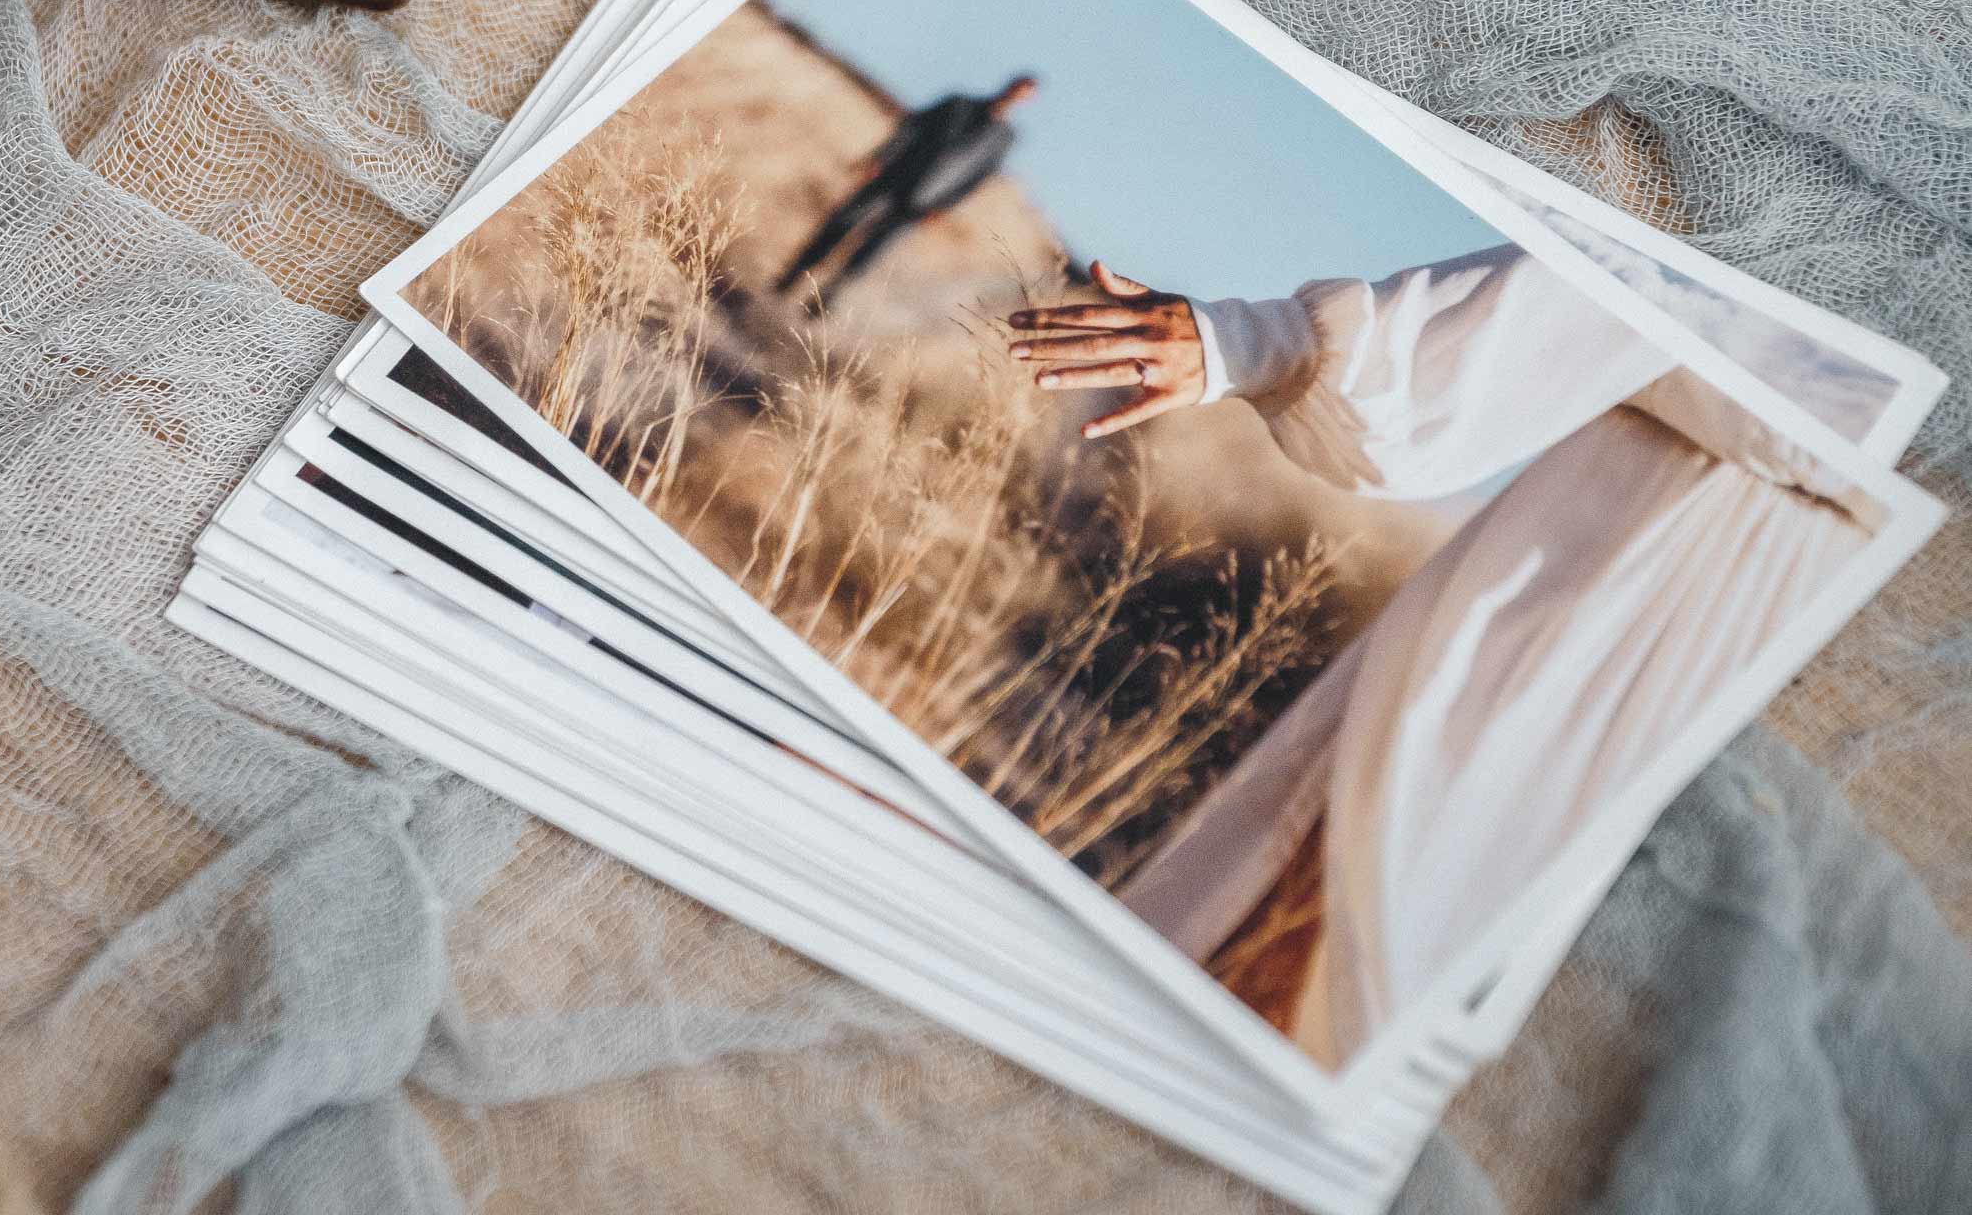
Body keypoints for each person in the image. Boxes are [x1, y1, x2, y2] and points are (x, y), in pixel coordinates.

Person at [1005, 245, 1873, 1068]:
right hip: (1604, 622)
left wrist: (1257, 344)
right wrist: (1254, 344)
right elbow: (1642, 295)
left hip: (1689, 674)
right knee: (1333, 934)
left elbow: (1646, 300)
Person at [772, 75, 1039, 309]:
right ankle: (790, 278)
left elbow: (976, 180)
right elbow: (911, 128)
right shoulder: (958, 103)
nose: (1015, 95)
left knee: (870, 252)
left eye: (1023, 94)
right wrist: (879, 158)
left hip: (924, 203)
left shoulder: (1003, 140)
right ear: (1008, 84)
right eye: (1016, 88)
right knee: (842, 223)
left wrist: (943, 208)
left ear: (1025, 100)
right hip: (893, 177)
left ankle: (824, 300)